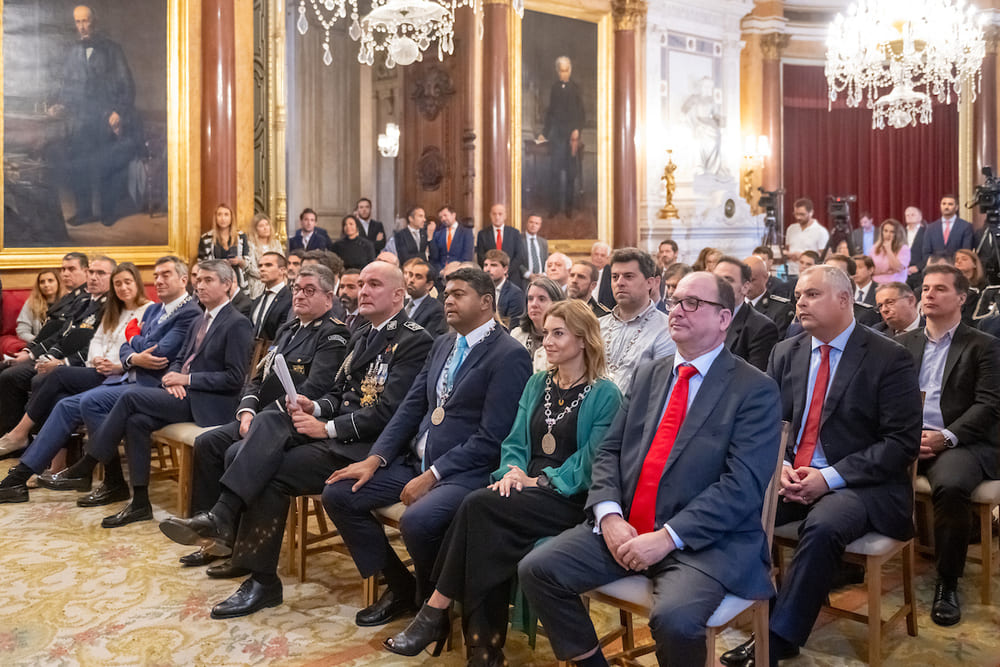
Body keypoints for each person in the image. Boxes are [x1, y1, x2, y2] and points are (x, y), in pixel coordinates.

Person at [519, 271, 782, 667]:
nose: (677, 310)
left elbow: (741, 487)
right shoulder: (651, 372)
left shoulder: (753, 388)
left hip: (704, 543)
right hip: (626, 527)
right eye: (674, 301)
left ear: (724, 318)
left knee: (675, 620)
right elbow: (609, 451)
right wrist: (608, 515)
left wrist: (667, 537)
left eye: (692, 303)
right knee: (538, 569)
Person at [161, 261, 436, 617]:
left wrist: (327, 427)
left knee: (267, 466)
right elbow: (338, 393)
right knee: (274, 425)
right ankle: (256, 572)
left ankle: (233, 532)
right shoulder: (363, 333)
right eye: (362, 283)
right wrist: (315, 406)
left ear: (399, 295)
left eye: (374, 285)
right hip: (339, 439)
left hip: (372, 450)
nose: (363, 291)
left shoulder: (414, 339)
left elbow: (390, 413)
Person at [383, 300, 623, 663]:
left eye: (558, 334)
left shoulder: (606, 394)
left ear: (584, 339)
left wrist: (538, 481)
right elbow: (513, 441)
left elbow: (592, 463)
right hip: (523, 491)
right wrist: (512, 471)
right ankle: (482, 647)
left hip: (569, 498)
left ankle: (438, 611)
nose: (548, 342)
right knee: (486, 529)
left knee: (477, 506)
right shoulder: (538, 382)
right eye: (546, 334)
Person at [724, 264, 921, 665]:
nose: (800, 302)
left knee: (824, 525)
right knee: (734, 505)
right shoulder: (787, 350)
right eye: (798, 295)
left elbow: (901, 444)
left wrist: (828, 478)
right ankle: (754, 605)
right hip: (793, 474)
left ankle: (777, 637)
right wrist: (777, 466)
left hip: (863, 485)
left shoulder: (888, 357)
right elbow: (768, 424)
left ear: (844, 299)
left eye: (812, 294)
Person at [323, 268, 533, 627]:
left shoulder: (508, 354)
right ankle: (401, 586)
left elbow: (492, 437)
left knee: (418, 522)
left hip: (466, 472)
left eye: (458, 294)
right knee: (341, 493)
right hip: (415, 460)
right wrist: (375, 458)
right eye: (446, 293)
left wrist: (435, 474)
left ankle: (433, 605)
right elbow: (411, 408)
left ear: (486, 302)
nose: (448, 300)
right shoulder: (443, 344)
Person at [38, 260, 254, 528]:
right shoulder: (202, 317)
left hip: (210, 403)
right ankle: (140, 503)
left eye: (208, 280)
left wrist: (187, 379)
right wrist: (171, 379)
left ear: (228, 284)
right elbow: (180, 359)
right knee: (136, 421)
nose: (201, 285)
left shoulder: (237, 323)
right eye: (200, 280)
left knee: (129, 397)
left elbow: (235, 378)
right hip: (181, 392)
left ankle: (88, 461)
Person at [163, 266, 352, 567]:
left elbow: (314, 389)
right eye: (296, 289)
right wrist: (248, 410)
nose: (299, 295)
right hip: (263, 417)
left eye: (309, 290)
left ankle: (230, 534)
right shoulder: (289, 330)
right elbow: (257, 378)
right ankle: (213, 534)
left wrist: (262, 417)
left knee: (237, 452)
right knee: (209, 443)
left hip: (297, 423)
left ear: (329, 298)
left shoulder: (333, 334)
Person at [0, 256, 200, 502]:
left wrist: (132, 350)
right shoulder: (157, 309)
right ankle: (17, 479)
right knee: (65, 403)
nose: (158, 280)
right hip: (127, 377)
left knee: (84, 398)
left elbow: (158, 351)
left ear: (183, 279)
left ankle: (105, 478)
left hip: (151, 385)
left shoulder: (188, 312)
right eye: (156, 275)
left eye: (165, 275)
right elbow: (129, 346)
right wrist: (134, 353)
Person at [896, 265, 1000, 626]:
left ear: (961, 297)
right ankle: (853, 565)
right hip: (909, 437)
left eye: (940, 288)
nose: (928, 295)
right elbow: (889, 401)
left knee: (952, 485)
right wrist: (907, 437)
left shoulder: (984, 345)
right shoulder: (902, 344)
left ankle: (947, 581)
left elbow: (989, 404)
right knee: (859, 467)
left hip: (963, 442)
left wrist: (946, 437)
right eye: (925, 288)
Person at [0, 263, 151, 458]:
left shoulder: (146, 309)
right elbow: (81, 338)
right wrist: (91, 358)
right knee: (58, 396)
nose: (122, 288)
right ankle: (49, 462)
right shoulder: (104, 306)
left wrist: (68, 362)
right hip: (97, 368)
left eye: (127, 282)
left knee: (52, 376)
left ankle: (20, 436)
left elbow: (135, 347)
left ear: (137, 283)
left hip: (120, 375)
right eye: (118, 283)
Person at [0, 256, 114, 436]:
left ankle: (28, 439)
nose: (93, 277)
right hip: (61, 359)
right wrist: (42, 355)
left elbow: (96, 345)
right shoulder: (82, 301)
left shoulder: (110, 305)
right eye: (91, 272)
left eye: (100, 273)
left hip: (87, 367)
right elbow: (62, 334)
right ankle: (16, 438)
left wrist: (62, 362)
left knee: (37, 378)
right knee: (10, 373)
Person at [49, 5, 139, 228]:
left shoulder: (112, 50)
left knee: (107, 165)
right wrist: (59, 104)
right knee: (79, 166)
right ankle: (84, 212)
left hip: (105, 117)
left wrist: (119, 111)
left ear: (94, 21)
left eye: (86, 21)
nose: (82, 26)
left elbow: (126, 84)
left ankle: (108, 212)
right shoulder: (72, 51)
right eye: (78, 22)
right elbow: (67, 85)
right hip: (79, 120)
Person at [599, 248, 675, 391]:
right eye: (615, 277)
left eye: (628, 276)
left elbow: (659, 388)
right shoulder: (596, 325)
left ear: (649, 283)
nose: (619, 283)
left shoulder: (667, 329)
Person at [537, 56, 585, 216]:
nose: (564, 74)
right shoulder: (555, 88)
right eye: (561, 71)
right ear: (558, 72)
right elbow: (550, 113)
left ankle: (569, 209)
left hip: (571, 136)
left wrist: (577, 129)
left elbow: (581, 113)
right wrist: (544, 133)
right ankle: (554, 208)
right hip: (557, 137)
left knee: (570, 174)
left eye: (566, 70)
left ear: (570, 71)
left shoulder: (575, 89)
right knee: (555, 172)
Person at [713, 256, 779, 371]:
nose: (720, 285)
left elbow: (753, 381)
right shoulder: (701, 317)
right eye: (717, 279)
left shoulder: (761, 328)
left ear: (745, 287)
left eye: (728, 280)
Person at [512, 277, 566, 372]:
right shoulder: (516, 335)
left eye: (541, 299)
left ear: (556, 304)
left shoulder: (565, 337)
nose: (534, 304)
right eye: (530, 299)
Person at [198, 204, 251, 291]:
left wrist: (239, 261)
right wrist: (218, 263)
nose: (223, 218)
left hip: (238, 283)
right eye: (219, 215)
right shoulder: (206, 238)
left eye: (226, 214)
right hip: (215, 283)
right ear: (215, 217)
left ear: (231, 217)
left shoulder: (241, 236)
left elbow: (249, 264)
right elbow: (201, 264)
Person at [476, 204, 527, 287]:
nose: (497, 217)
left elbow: (519, 256)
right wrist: (493, 270)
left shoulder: (514, 233)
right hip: (490, 278)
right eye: (494, 214)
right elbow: (481, 257)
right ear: (490, 215)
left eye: (500, 214)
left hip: (512, 277)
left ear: (505, 216)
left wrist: (505, 271)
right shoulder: (483, 234)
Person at [746, 255, 795, 338]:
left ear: (766, 277)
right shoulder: (733, 306)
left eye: (752, 280)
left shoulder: (781, 309)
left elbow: (778, 345)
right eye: (744, 280)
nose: (747, 286)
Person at [248, 252, 291, 342]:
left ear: (282, 270)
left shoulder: (290, 299)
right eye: (260, 266)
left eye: (268, 265)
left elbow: (283, 334)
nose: (262, 269)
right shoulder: (258, 300)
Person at [15, 270, 65, 345]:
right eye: (42, 282)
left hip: (61, 346)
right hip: (38, 346)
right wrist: (37, 341)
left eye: (50, 281)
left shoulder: (69, 301)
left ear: (58, 282)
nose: (46, 285)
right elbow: (22, 331)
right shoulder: (31, 303)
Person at [784, 198, 830, 278]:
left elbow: (825, 256)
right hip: (791, 272)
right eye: (796, 214)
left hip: (811, 274)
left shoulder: (821, 231)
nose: (798, 217)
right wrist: (788, 254)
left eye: (802, 214)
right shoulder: (791, 228)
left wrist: (802, 256)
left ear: (811, 213)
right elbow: (787, 248)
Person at [403, 258, 447, 337]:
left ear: (429, 285)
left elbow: (426, 341)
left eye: (418, 277)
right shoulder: (401, 303)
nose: (411, 280)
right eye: (410, 275)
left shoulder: (436, 309)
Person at [244, 213, 285, 299]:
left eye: (267, 225)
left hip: (276, 283)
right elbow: (250, 268)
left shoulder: (276, 244)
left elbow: (282, 263)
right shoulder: (250, 245)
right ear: (255, 229)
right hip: (257, 285)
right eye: (261, 226)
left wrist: (274, 276)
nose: (265, 228)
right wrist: (268, 275)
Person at [482, 249, 525, 330]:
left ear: (505, 269)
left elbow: (513, 326)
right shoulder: (480, 290)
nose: (488, 269)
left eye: (493, 265)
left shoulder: (515, 293)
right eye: (485, 265)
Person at [430, 205, 474, 274]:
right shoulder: (438, 234)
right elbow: (435, 258)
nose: (443, 219)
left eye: (445, 215)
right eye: (441, 217)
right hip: (441, 272)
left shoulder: (466, 232)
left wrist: (456, 270)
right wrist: (441, 271)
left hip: (459, 272)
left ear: (453, 215)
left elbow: (467, 256)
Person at [871, 218, 910, 284]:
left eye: (892, 232)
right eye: (885, 231)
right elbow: (870, 270)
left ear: (897, 234)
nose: (888, 234)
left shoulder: (903, 248)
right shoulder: (875, 247)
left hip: (895, 285)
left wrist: (888, 250)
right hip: (875, 284)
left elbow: (898, 268)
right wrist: (887, 270)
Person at [905, 206, 927, 290]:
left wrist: (918, 267)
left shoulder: (927, 232)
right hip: (902, 275)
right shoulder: (900, 232)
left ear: (920, 217)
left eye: (912, 214)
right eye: (907, 215)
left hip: (920, 273)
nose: (909, 216)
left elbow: (930, 253)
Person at [522, 213, 549, 279]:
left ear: (540, 226)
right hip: (524, 280)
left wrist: (544, 274)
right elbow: (515, 261)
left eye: (537, 223)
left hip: (542, 279)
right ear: (527, 223)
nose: (533, 225)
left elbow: (546, 261)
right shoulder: (518, 239)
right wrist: (529, 275)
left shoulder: (543, 242)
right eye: (531, 222)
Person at [591, 242, 614, 308]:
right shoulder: (585, 271)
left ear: (607, 258)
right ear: (592, 255)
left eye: (602, 255)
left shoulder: (612, 274)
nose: (599, 257)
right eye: (596, 254)